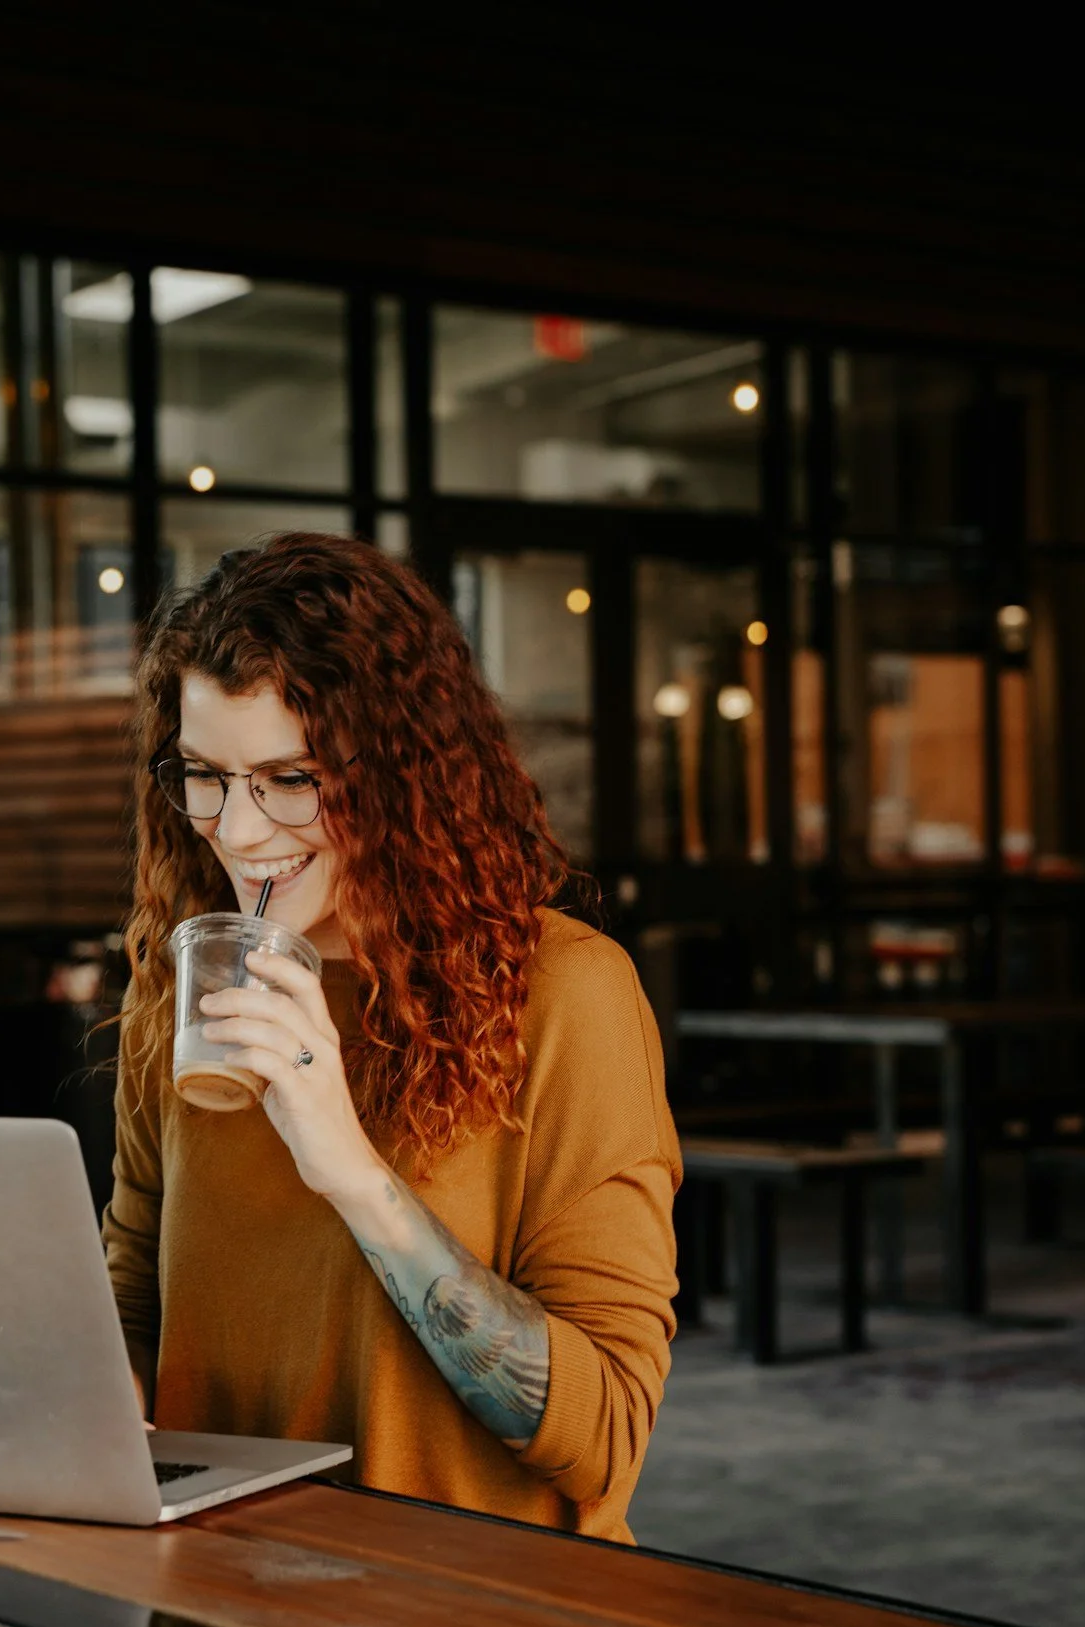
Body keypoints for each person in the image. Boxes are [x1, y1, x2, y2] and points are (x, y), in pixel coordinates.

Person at [103, 532, 681, 1543]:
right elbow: (135, 1290)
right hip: (225, 1586)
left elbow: (604, 1437)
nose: (237, 830)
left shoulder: (565, 993)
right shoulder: (184, 985)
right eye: (204, 775)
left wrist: (351, 1168)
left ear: (405, 775)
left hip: (469, 1608)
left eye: (289, 778)